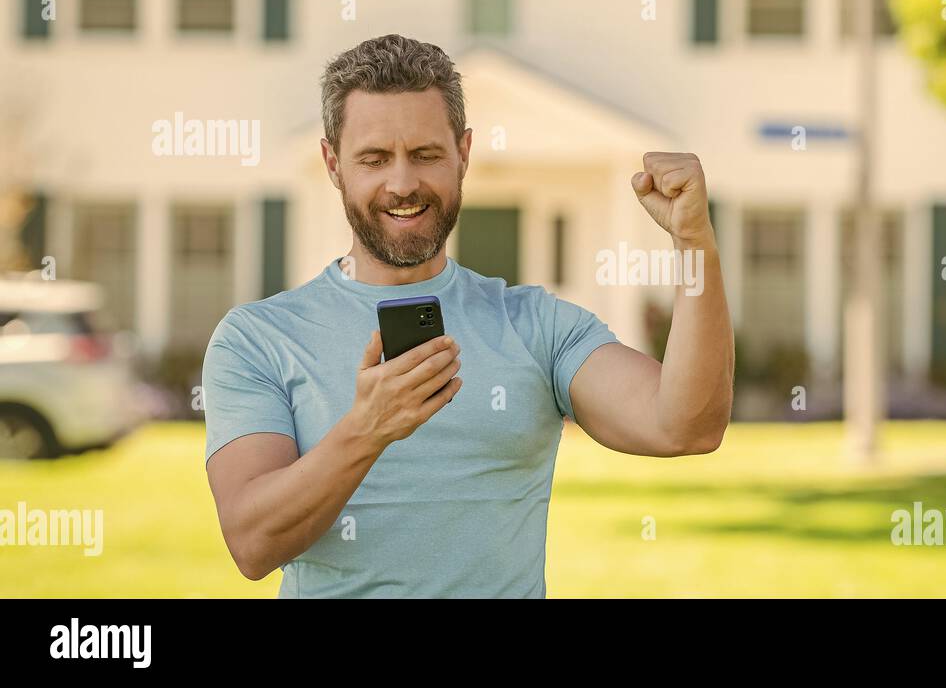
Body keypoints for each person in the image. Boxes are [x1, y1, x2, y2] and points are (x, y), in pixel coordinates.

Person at [201, 34, 734, 597]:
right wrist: (367, 430)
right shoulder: (258, 338)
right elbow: (252, 543)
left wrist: (694, 242)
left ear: (464, 154)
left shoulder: (535, 326)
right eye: (374, 158)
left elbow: (687, 426)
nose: (403, 183)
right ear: (333, 163)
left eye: (426, 155)